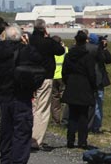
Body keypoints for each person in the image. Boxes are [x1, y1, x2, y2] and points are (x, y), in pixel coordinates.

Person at [0, 24, 43, 164]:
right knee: (22, 134)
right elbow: (40, 60)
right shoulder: (27, 52)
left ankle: (5, 159)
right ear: (20, 37)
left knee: (6, 132)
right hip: (22, 98)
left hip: (4, 98)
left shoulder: (0, 51)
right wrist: (27, 45)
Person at [29, 19, 65, 150]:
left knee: (31, 106)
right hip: (45, 77)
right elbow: (60, 50)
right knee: (42, 109)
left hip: (28, 77)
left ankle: (25, 135)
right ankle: (35, 140)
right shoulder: (48, 42)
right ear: (44, 29)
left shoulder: (29, 40)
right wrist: (48, 37)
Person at [61, 30, 97, 149]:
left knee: (72, 115)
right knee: (83, 116)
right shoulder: (87, 56)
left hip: (72, 84)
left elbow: (64, 72)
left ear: (75, 41)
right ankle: (82, 141)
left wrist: (68, 82)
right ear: (85, 41)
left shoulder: (69, 55)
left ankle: (70, 140)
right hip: (84, 85)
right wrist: (93, 86)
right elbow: (92, 74)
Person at [87, 33, 111, 134]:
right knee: (98, 104)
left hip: (88, 80)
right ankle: (96, 127)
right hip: (98, 81)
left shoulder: (86, 49)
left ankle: (88, 125)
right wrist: (104, 48)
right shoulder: (98, 51)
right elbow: (109, 60)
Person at [50, 35, 68, 125]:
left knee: (54, 99)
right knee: (65, 99)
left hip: (53, 76)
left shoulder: (50, 51)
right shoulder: (65, 50)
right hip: (62, 77)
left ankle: (55, 120)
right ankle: (65, 119)